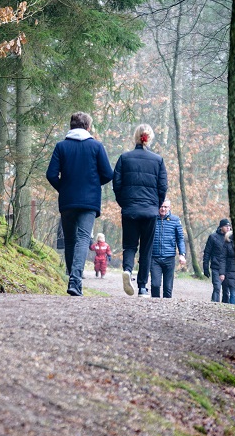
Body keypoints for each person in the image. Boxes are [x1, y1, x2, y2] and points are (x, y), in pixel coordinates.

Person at [46, 112, 114, 296]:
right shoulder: (96, 146)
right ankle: (75, 281)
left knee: (70, 240)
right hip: (89, 201)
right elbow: (108, 174)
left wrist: (64, 188)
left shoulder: (61, 146)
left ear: (71, 126)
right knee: (84, 238)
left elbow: (51, 174)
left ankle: (72, 280)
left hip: (68, 200)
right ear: (88, 127)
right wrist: (92, 184)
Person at [112, 123, 167, 297]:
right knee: (146, 249)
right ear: (149, 138)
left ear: (135, 137)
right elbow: (163, 186)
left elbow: (117, 183)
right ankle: (143, 287)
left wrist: (124, 202)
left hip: (130, 209)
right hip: (150, 211)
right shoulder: (158, 160)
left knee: (129, 245)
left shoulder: (124, 158)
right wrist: (155, 205)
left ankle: (127, 270)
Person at [149, 199, 186, 298]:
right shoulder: (151, 219)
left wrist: (182, 254)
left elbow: (180, 239)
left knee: (168, 288)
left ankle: (167, 310)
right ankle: (154, 306)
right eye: (161, 206)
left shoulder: (175, 220)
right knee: (155, 285)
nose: (163, 209)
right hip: (154, 258)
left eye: (165, 207)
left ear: (169, 208)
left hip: (169, 258)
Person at [202, 218, 231, 302]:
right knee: (217, 288)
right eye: (226, 226)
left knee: (226, 291)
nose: (228, 228)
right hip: (216, 267)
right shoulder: (213, 237)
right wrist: (205, 267)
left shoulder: (231, 238)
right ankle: (214, 306)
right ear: (221, 227)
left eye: (229, 226)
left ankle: (225, 309)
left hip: (228, 268)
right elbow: (207, 253)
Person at [219, 229, 235, 305]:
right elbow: (222, 259)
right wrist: (222, 273)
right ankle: (231, 307)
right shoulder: (227, 244)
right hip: (229, 271)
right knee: (232, 292)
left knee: (233, 292)